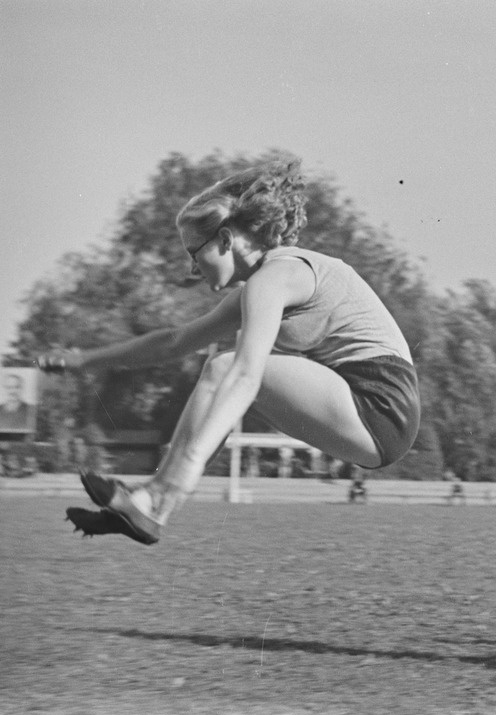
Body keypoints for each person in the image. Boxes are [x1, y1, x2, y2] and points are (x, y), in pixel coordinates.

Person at [39, 160, 420, 545]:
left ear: (224, 240)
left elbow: (246, 374)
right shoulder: (260, 284)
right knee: (220, 367)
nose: (191, 269)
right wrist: (83, 360)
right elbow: (173, 341)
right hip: (368, 416)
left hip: (380, 406)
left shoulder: (276, 276)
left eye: (194, 252)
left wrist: (186, 469)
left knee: (225, 368)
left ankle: (160, 495)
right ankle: (153, 507)